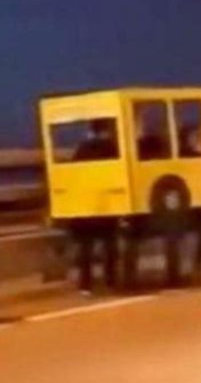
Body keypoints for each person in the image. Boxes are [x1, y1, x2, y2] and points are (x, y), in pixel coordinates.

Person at [69, 119, 119, 294]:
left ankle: (86, 284)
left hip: (84, 203)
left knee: (85, 248)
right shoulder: (111, 148)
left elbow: (73, 174)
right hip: (105, 202)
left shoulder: (82, 149)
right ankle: (110, 280)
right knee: (110, 244)